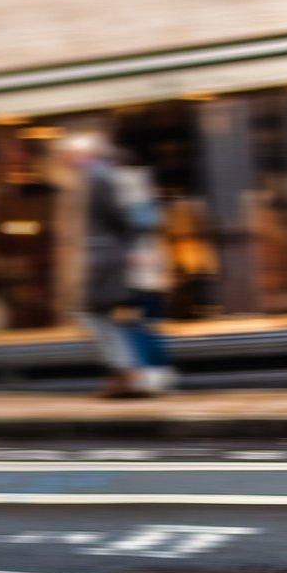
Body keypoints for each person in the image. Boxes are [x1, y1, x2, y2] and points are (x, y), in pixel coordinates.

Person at [62, 135, 147, 398]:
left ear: (82, 154)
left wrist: (131, 248)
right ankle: (124, 374)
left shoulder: (97, 177)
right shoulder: (92, 177)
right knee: (99, 317)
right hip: (102, 258)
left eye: (69, 155)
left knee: (88, 313)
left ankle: (126, 372)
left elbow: (118, 217)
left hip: (101, 260)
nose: (65, 161)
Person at [110, 152, 174, 395]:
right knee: (149, 326)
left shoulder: (128, 210)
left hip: (133, 281)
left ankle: (147, 373)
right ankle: (158, 371)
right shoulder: (150, 208)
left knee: (132, 326)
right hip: (151, 280)